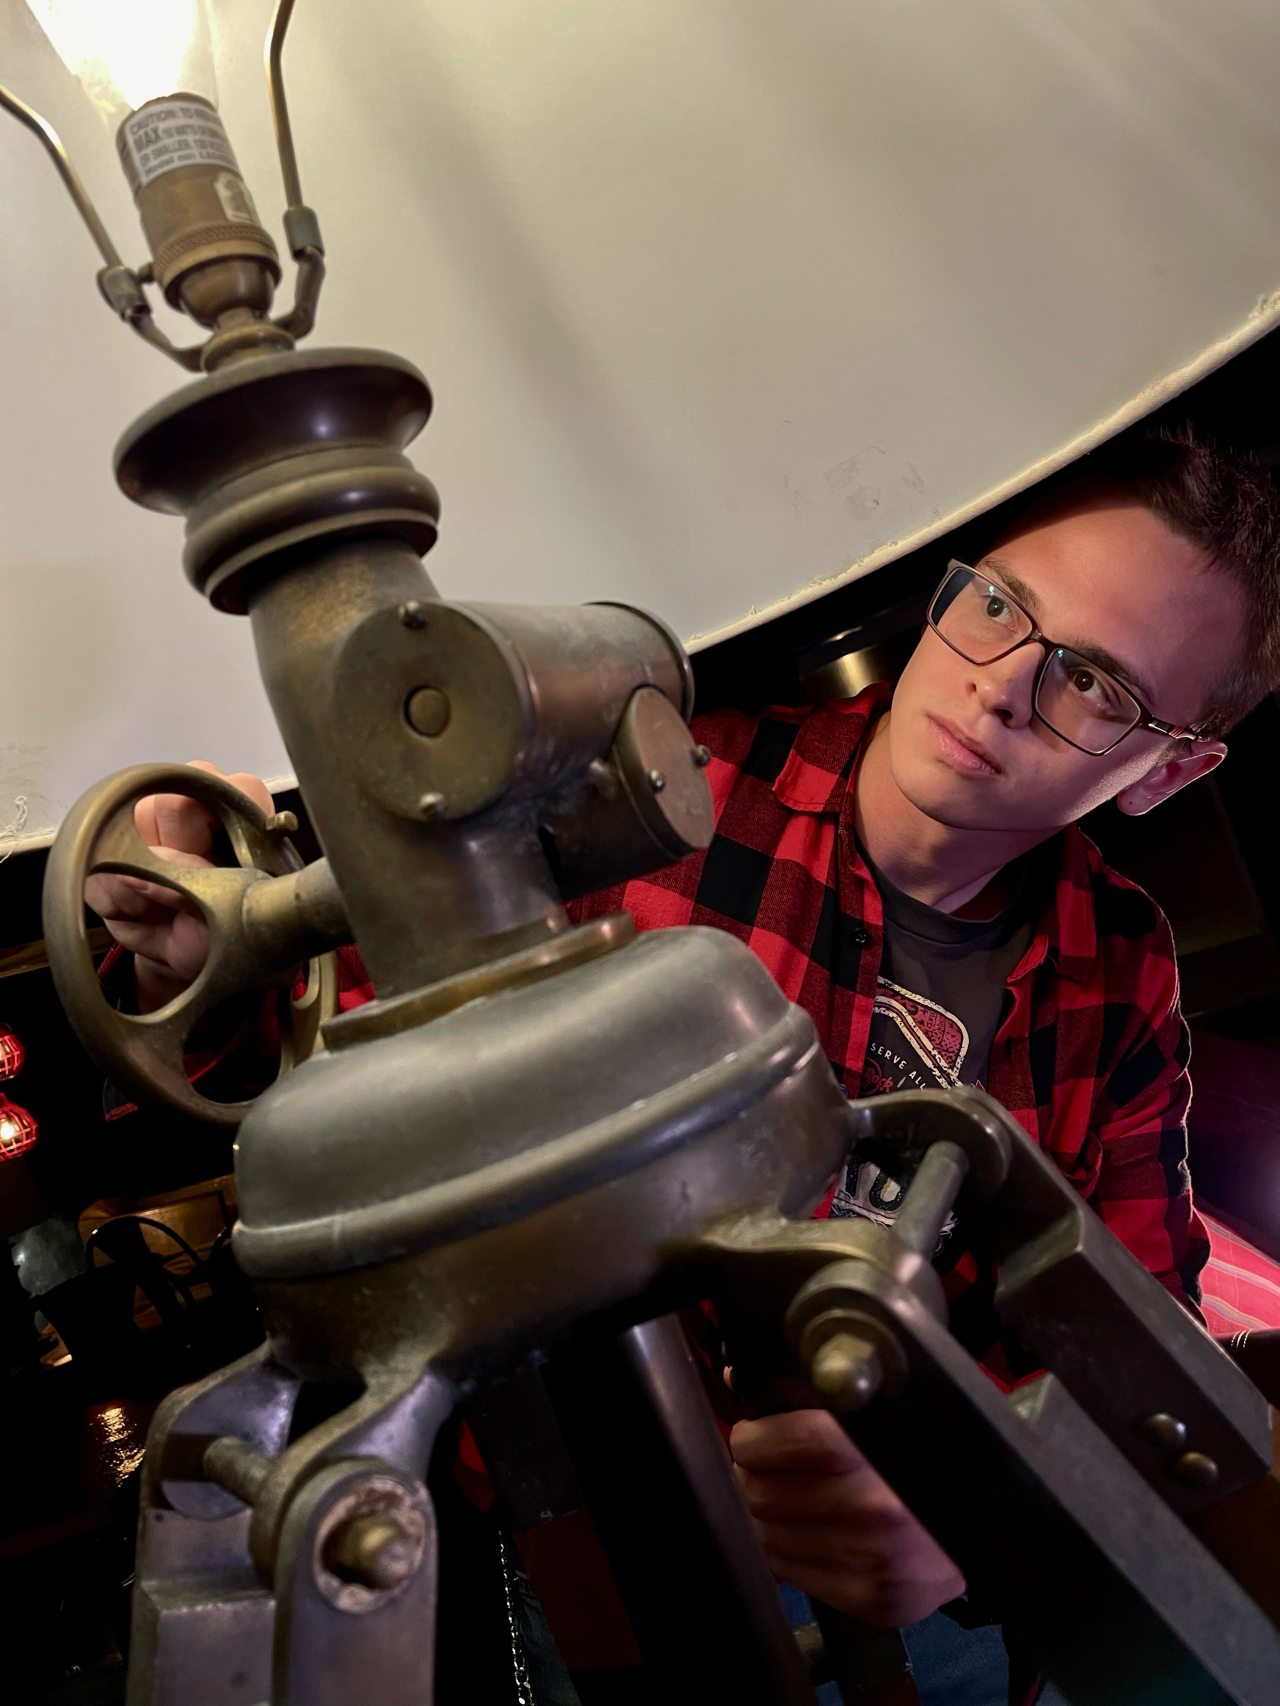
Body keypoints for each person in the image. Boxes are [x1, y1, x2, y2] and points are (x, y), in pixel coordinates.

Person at [88, 427, 1280, 1672]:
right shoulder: (646, 803)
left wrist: (980, 1510)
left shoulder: (1121, 960)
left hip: (947, 1610)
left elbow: (1136, 1334)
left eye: (1091, 682)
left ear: (1169, 768)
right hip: (617, 1568)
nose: (999, 686)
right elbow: (340, 1049)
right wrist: (199, 957)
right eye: (996, 605)